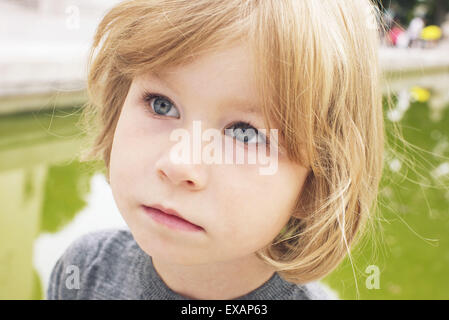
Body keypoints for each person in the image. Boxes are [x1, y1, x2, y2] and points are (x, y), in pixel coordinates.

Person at [47, 0, 385, 300]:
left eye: (244, 133)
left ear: (314, 184)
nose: (180, 164)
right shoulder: (84, 273)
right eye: (162, 104)